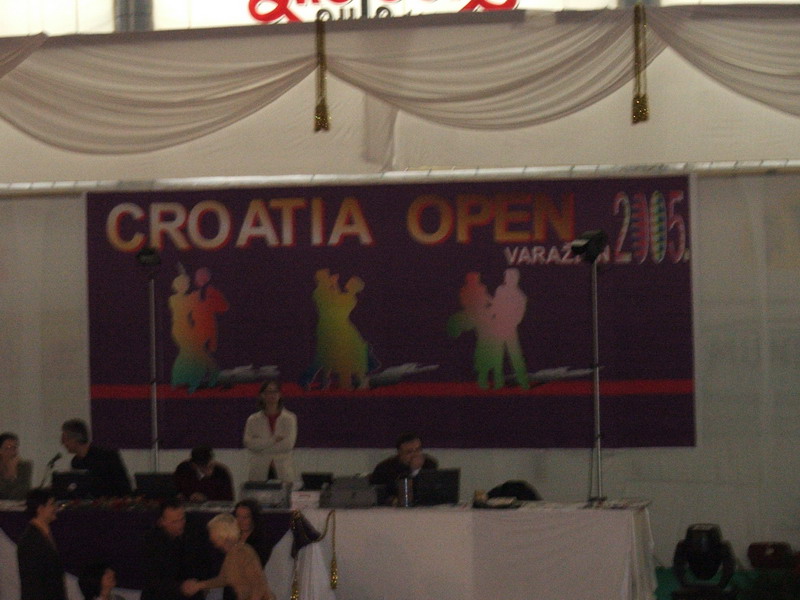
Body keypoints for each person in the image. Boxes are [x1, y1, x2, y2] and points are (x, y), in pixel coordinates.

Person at [184, 513, 275, 600]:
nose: (210, 537)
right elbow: (223, 579)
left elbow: (258, 586)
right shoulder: (231, 554)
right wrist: (199, 585)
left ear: (221, 533)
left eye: (212, 532)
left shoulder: (243, 552)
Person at [141, 498, 211, 600]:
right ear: (161, 521)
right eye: (174, 522)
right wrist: (180, 587)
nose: (180, 525)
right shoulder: (152, 541)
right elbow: (152, 580)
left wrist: (203, 583)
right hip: (163, 593)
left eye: (182, 519)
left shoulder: (194, 530)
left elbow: (205, 560)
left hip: (192, 590)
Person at [243, 378, 297, 483]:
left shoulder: (290, 418)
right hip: (259, 471)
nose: (272, 395)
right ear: (262, 395)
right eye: (268, 392)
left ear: (280, 394)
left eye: (275, 391)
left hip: (283, 471)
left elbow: (287, 445)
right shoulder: (253, 419)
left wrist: (260, 445)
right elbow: (249, 444)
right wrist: (273, 440)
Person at [61, 418, 132, 497]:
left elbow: (124, 486)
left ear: (75, 439)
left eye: (65, 439)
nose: (63, 443)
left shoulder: (106, 456)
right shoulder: (76, 462)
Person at [17, 488, 66, 600]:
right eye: (51, 504)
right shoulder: (31, 541)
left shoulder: (43, 535)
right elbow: (33, 584)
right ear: (40, 509)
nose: (55, 508)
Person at [369, 432, 438, 505]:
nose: (415, 455)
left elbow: (430, 490)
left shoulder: (429, 464)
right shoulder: (384, 468)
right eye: (409, 452)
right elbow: (377, 493)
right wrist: (413, 471)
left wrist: (416, 470)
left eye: (418, 450)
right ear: (399, 452)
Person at [0, 431, 32, 500]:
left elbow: (19, 496)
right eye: (8, 448)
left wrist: (13, 475)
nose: (13, 452)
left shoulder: (24, 466)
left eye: (14, 448)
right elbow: (2, 495)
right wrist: (8, 476)